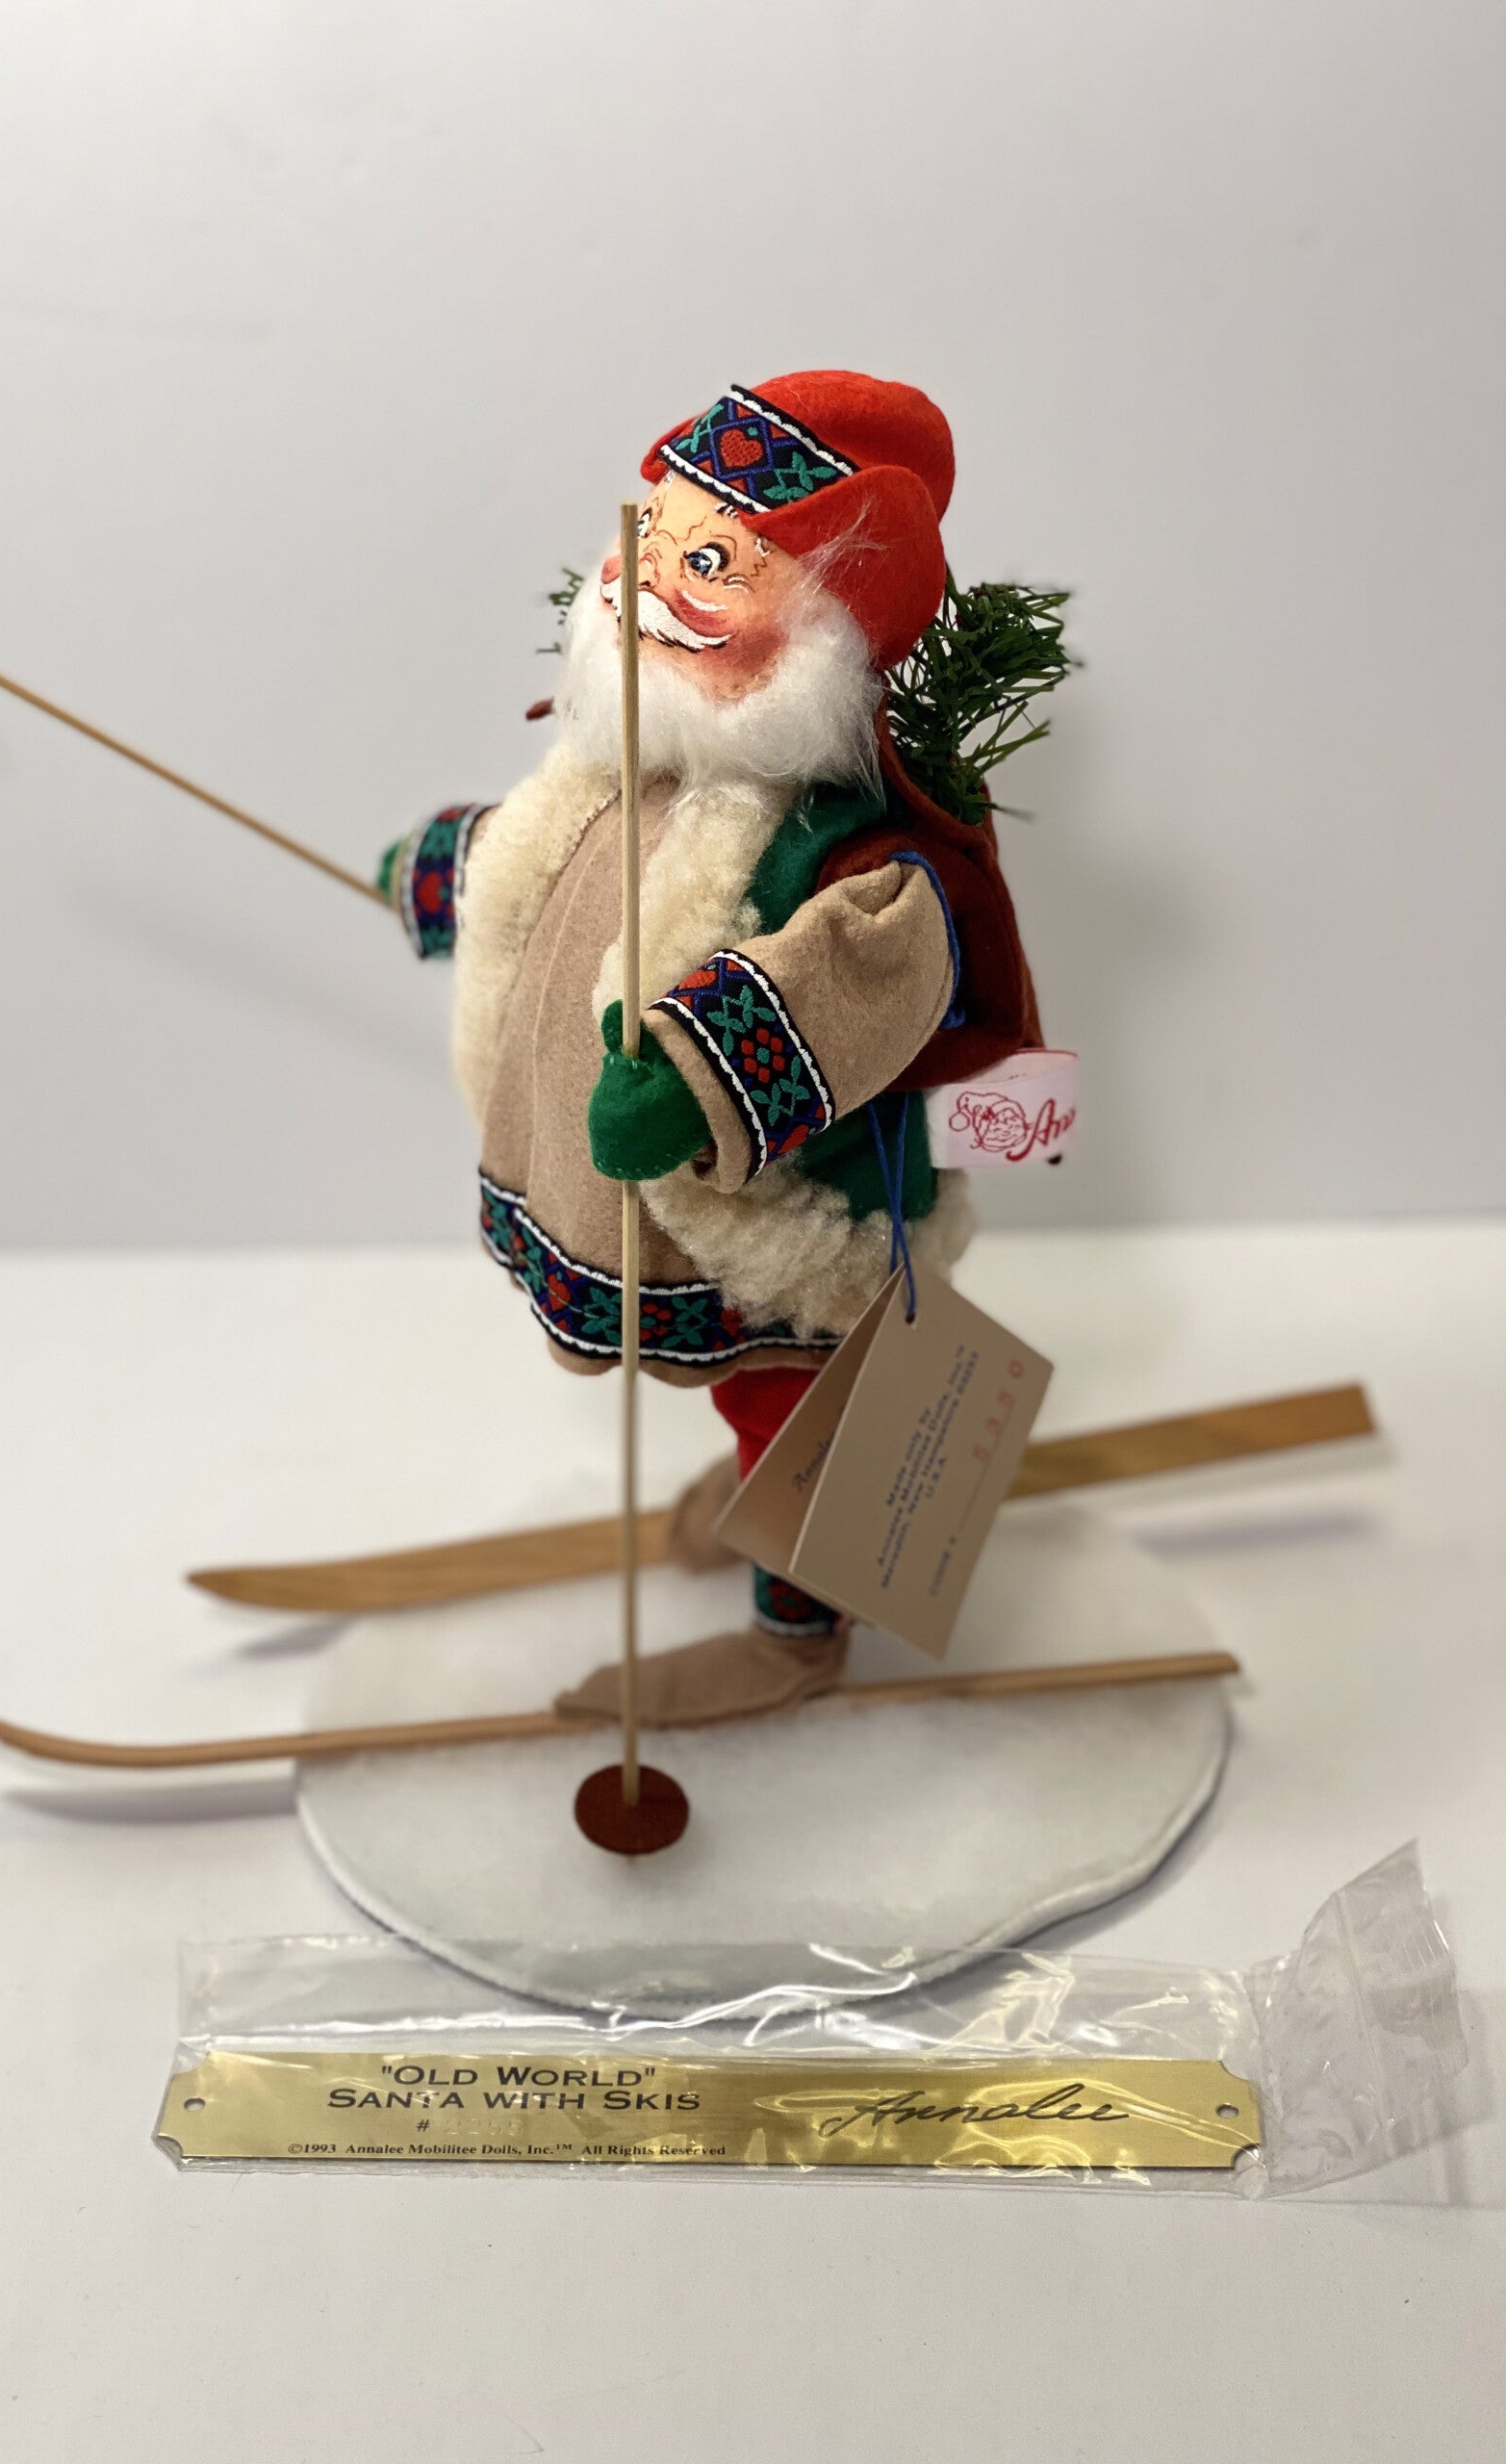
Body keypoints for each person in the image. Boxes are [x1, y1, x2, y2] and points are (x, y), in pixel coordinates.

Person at [379, 372, 1041, 1723]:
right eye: (652, 538)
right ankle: (752, 1479)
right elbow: (549, 872)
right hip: (640, 1209)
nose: (645, 582)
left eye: (709, 564)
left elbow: (874, 968)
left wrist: (698, 1077)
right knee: (750, 1387)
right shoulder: (624, 768)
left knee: (797, 1391)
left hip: (790, 1210)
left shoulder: (843, 841)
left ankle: (797, 1633)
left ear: (826, 630)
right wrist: (452, 873)